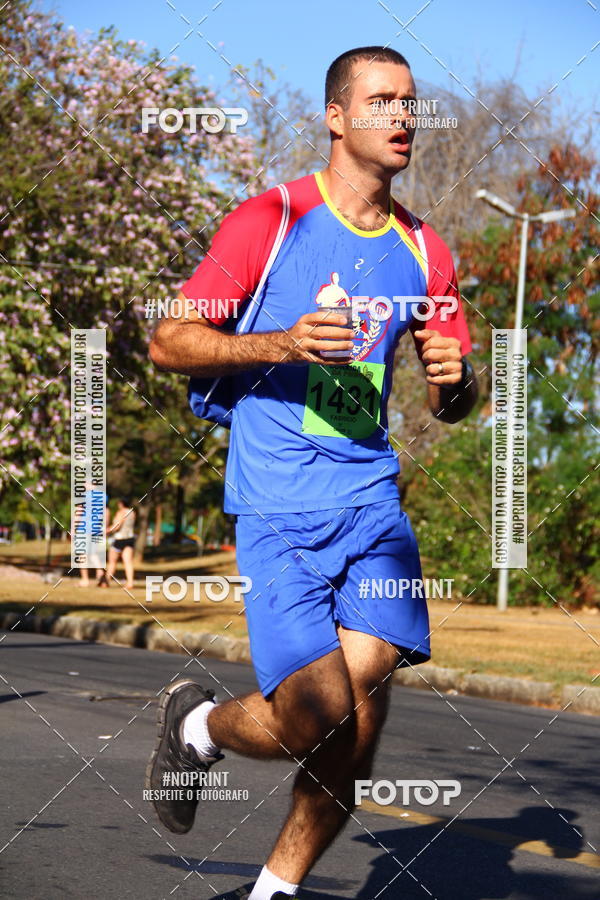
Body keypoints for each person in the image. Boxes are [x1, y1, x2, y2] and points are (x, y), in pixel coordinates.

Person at [148, 46, 478, 900]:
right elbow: (170, 340)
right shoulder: (273, 217)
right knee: (315, 716)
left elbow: (453, 401)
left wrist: (456, 383)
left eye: (411, 102)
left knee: (355, 730)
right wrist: (280, 343)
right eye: (382, 101)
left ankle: (274, 892)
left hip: (371, 504)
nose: (403, 116)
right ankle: (198, 724)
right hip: (280, 504)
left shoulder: (425, 250)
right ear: (337, 117)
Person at [105, 497, 136, 589]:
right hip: (130, 539)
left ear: (122, 503)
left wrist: (107, 530)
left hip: (119, 539)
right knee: (128, 562)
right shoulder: (132, 512)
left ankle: (105, 581)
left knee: (112, 562)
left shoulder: (121, 512)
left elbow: (117, 526)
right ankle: (130, 583)